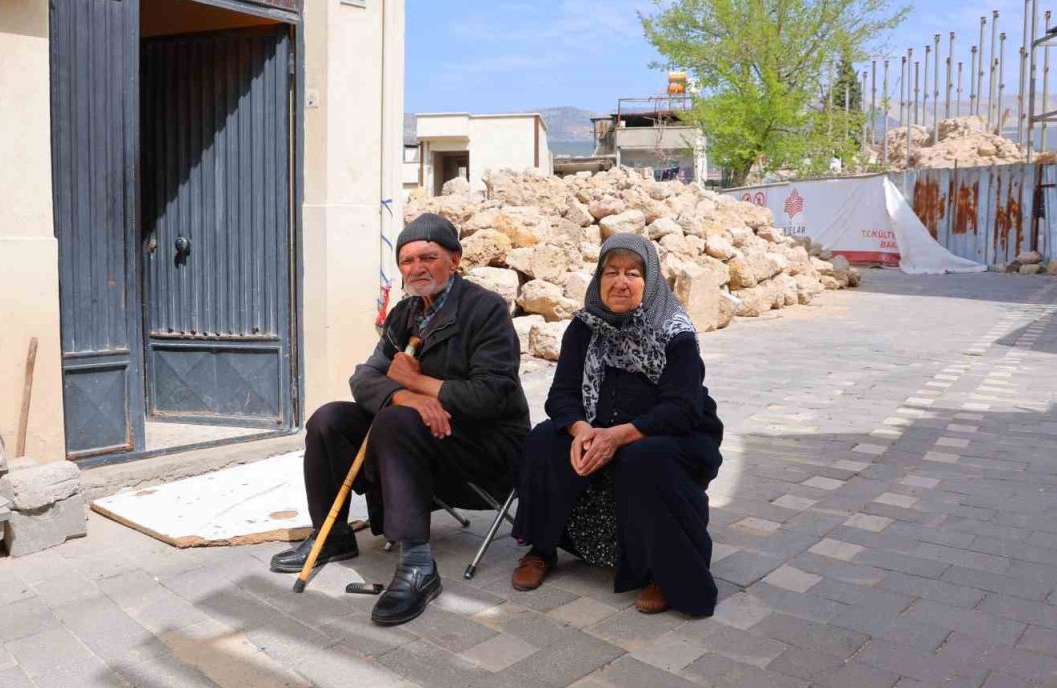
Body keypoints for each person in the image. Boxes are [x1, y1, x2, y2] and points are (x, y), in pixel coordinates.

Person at [270, 213, 531, 626]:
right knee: (329, 419)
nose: (416, 268)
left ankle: (418, 565)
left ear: (455, 259)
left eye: (428, 256)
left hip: (487, 446)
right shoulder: (405, 314)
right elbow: (365, 377)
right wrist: (406, 395)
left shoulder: (486, 310)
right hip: (423, 439)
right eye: (407, 261)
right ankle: (331, 536)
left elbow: (490, 396)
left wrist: (421, 384)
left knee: (395, 422)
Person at [510, 233, 724, 617]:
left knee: (645, 457)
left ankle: (665, 572)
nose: (620, 282)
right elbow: (561, 394)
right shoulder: (585, 326)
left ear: (650, 281)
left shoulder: (674, 332)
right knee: (545, 439)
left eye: (632, 273)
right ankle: (542, 549)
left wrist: (619, 435)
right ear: (598, 278)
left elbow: (682, 409)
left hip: (669, 436)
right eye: (611, 272)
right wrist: (580, 429)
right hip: (598, 429)